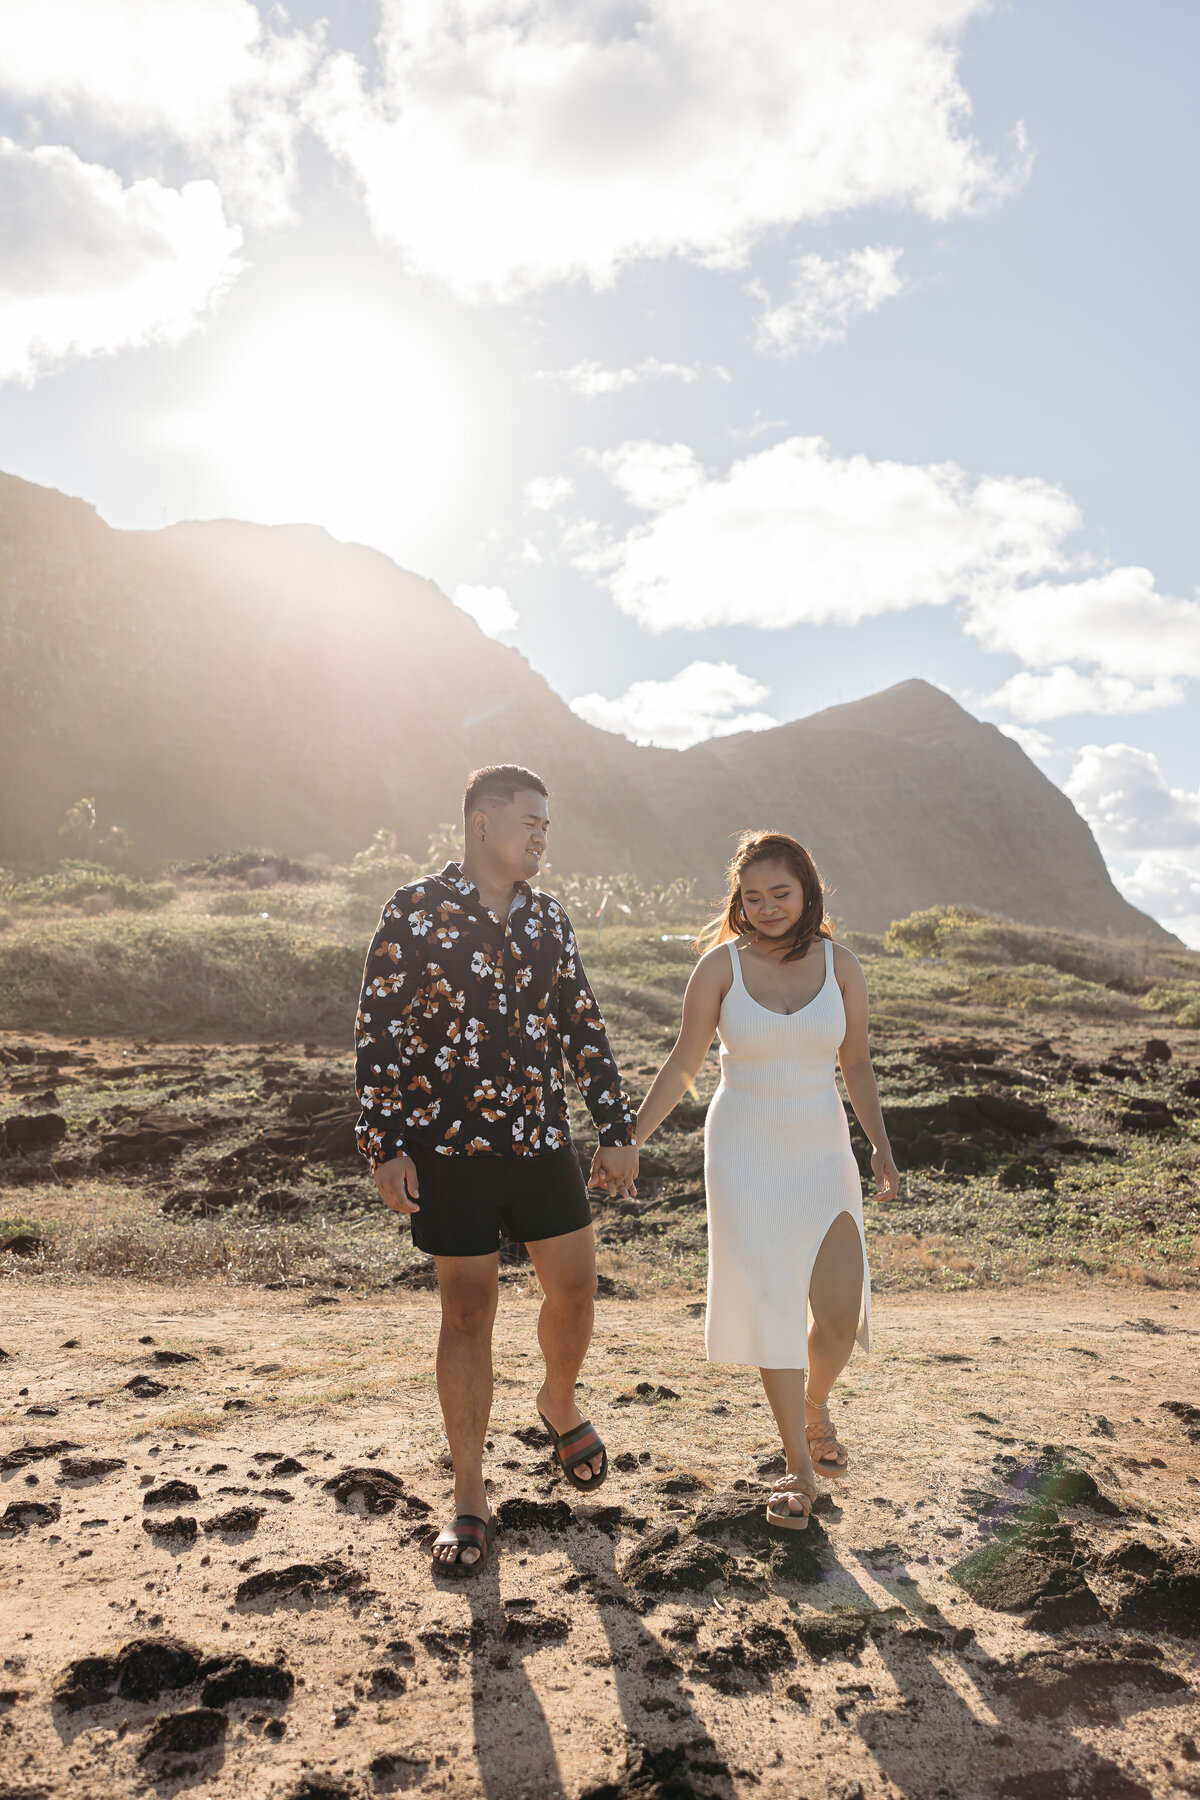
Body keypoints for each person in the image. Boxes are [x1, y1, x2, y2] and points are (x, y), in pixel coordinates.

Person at [354, 765, 640, 1576]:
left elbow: (581, 1021)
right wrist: (384, 1144)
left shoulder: (549, 917)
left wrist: (614, 1127)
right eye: (529, 822)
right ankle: (471, 1498)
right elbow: (377, 1033)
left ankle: (558, 1399)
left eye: (548, 824)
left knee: (576, 1288)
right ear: (482, 824)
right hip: (446, 1146)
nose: (542, 835)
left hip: (540, 1136)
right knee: (469, 1308)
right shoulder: (413, 913)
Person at [634, 830, 899, 1532]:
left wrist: (879, 1145)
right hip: (745, 1150)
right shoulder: (719, 968)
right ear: (738, 903)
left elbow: (860, 1064)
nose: (767, 907)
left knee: (839, 1315)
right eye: (752, 897)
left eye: (780, 893)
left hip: (821, 1148)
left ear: (808, 891)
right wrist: (629, 1138)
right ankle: (798, 1467)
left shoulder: (842, 964)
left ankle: (815, 1405)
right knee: (773, 1302)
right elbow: (684, 1063)